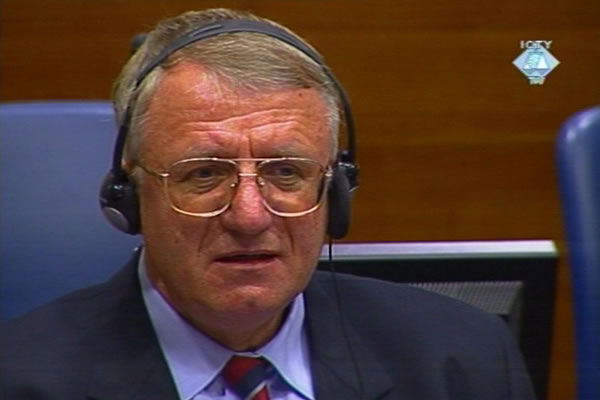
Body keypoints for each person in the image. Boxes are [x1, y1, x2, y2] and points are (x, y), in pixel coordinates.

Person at [0, 8, 535, 400]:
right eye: (203, 174)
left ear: (336, 191)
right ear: (131, 194)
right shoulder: (21, 379)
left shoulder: (462, 361)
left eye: (287, 172)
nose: (250, 216)